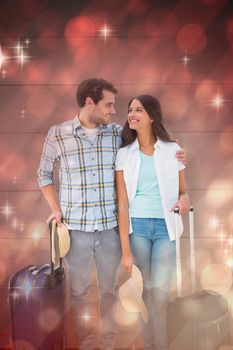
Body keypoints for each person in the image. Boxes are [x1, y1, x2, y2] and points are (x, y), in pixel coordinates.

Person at [38, 79, 186, 350]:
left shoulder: (116, 132)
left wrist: (173, 149)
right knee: (80, 294)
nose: (114, 111)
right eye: (109, 104)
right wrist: (55, 209)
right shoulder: (58, 134)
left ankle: (108, 346)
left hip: (110, 230)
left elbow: (147, 140)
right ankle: (85, 346)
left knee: (110, 293)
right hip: (76, 230)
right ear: (89, 103)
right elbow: (44, 175)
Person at [115, 95, 190, 350]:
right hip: (137, 229)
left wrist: (183, 203)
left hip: (165, 228)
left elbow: (183, 192)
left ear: (152, 116)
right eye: (129, 110)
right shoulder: (124, 154)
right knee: (143, 294)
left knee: (160, 294)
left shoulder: (172, 150)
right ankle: (150, 347)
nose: (131, 114)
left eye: (138, 109)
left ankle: (163, 346)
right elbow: (122, 204)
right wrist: (125, 250)